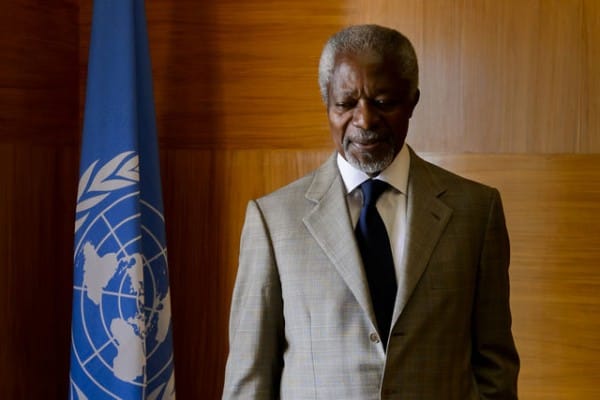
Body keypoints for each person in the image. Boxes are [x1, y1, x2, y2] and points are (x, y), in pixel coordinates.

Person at [222, 24, 519, 399]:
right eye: (346, 104)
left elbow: (495, 367)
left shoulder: (475, 211)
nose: (364, 120)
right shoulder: (274, 221)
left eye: (382, 102)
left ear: (412, 101)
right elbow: (249, 380)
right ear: (327, 103)